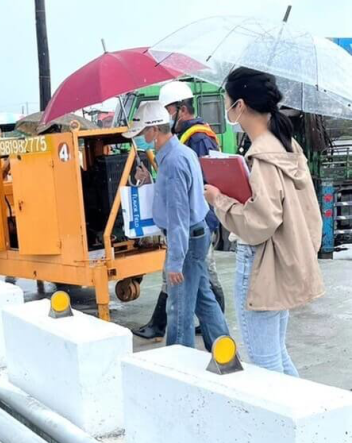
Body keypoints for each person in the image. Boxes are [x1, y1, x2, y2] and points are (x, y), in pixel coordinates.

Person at [204, 68, 323, 376]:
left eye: (227, 102)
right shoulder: (287, 146)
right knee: (276, 353)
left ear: (239, 105)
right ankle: (304, 419)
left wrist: (219, 199)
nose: (228, 108)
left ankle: (288, 422)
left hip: (260, 261)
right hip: (283, 257)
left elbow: (260, 221)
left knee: (263, 363)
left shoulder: (263, 156)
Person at [126, 101, 229, 349]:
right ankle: (225, 352)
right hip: (195, 234)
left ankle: (179, 364)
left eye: (142, 134)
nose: (141, 139)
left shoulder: (172, 161)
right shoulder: (179, 153)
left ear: (153, 131)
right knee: (203, 300)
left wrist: (174, 260)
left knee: (179, 307)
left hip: (187, 238)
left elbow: (178, 216)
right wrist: (149, 179)